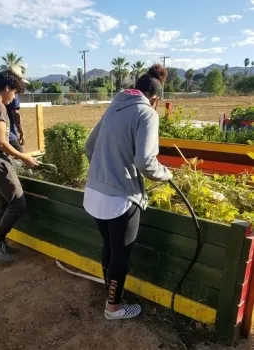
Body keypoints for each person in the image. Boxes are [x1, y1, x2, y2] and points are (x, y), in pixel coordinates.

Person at [83, 64, 173, 320]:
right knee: (121, 252)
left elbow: (90, 147)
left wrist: (106, 170)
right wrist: (167, 174)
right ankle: (113, 308)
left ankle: (110, 294)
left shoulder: (114, 106)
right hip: (119, 200)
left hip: (94, 194)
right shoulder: (146, 113)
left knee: (109, 247)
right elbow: (145, 162)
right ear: (154, 97)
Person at [0, 69, 38, 263]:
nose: (14, 98)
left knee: (3, 203)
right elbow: (0, 143)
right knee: (18, 203)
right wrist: (24, 157)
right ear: (6, 88)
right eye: (14, 92)